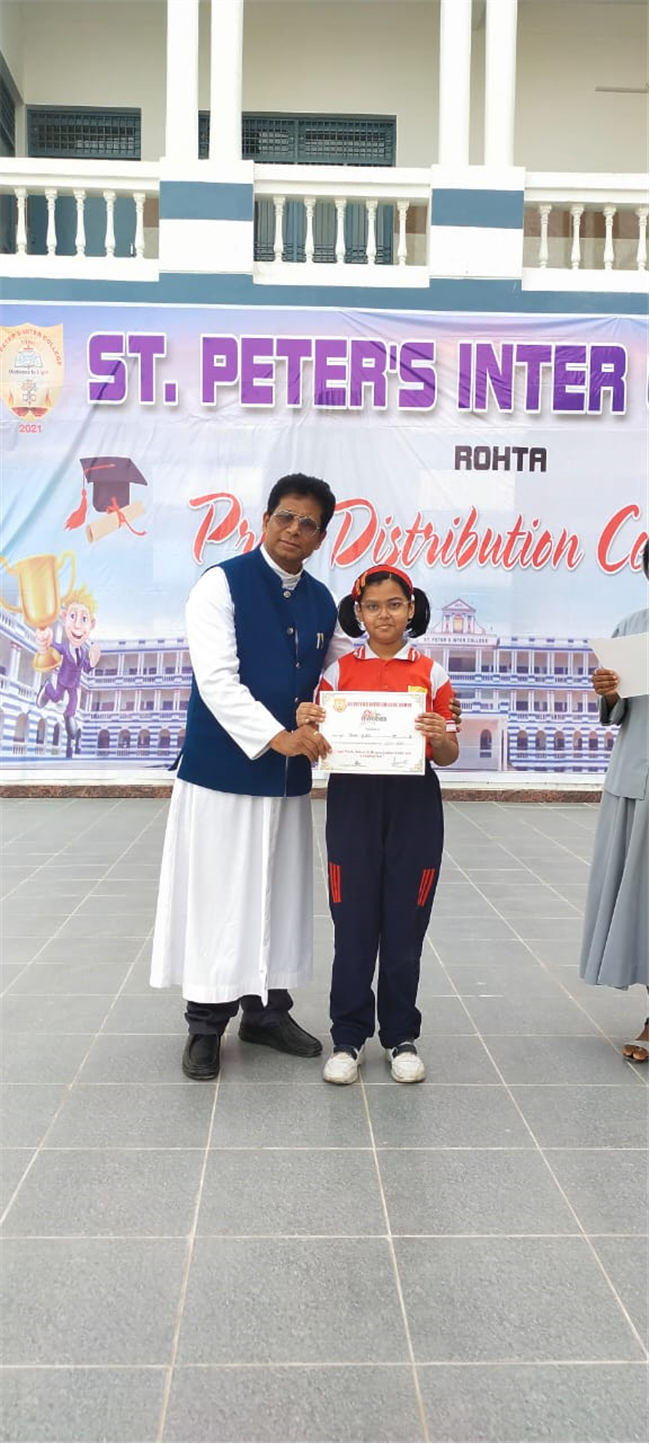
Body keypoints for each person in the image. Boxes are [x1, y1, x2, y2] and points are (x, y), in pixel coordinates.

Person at [150, 474, 338, 1080]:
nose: (293, 530)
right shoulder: (220, 584)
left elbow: (350, 672)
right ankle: (205, 1025)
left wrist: (421, 690)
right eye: (285, 516)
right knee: (219, 897)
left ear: (320, 538)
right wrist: (279, 736)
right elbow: (217, 680)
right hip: (223, 775)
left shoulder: (322, 601)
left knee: (279, 897)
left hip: (285, 781)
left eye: (308, 524)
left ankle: (266, 1014)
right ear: (265, 519)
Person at [297, 564, 459, 1085]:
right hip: (354, 801)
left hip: (415, 803)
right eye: (372, 606)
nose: (383, 615)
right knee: (353, 923)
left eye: (394, 604)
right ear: (358, 613)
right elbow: (320, 739)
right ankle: (347, 1039)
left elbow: (449, 753)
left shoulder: (432, 673)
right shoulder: (338, 674)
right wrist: (309, 724)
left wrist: (441, 735)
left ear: (411, 609)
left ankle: (400, 1037)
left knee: (405, 925)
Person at [579, 537, 649, 1062]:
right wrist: (608, 691)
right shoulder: (633, 628)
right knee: (642, 901)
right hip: (638, 780)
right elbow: (618, 710)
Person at [35, 586, 101, 758]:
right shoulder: (65, 647)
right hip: (63, 680)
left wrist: (93, 663)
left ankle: (69, 717)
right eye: (73, 616)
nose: (78, 625)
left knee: (73, 702)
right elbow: (55, 646)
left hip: (74, 684)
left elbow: (86, 667)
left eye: (84, 619)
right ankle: (47, 687)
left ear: (91, 624)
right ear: (65, 618)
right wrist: (47, 640)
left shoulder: (82, 652)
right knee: (57, 697)